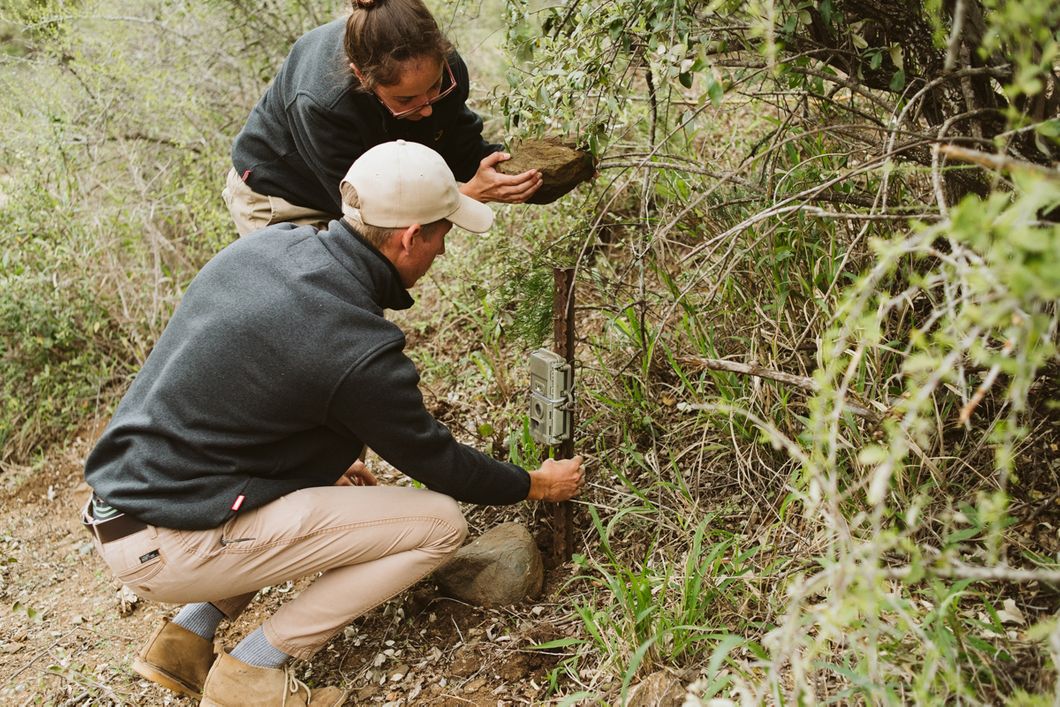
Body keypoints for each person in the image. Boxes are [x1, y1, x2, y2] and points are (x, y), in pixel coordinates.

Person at [83, 140, 583, 706]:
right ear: (410, 236)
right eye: (444, 233)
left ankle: (185, 640)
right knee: (442, 523)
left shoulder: (271, 247)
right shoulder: (354, 343)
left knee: (335, 485)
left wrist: (322, 461)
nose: (445, 249)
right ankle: (250, 673)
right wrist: (536, 483)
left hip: (128, 504)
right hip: (171, 541)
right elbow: (440, 463)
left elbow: (240, 393)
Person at [223, 0, 542, 237]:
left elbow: (457, 143)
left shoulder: (446, 71)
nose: (428, 107)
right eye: (406, 100)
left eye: (434, 88)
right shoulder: (324, 104)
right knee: (320, 306)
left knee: (362, 299)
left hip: (348, 190)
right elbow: (367, 216)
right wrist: (469, 195)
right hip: (280, 195)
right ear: (362, 77)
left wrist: (520, 171)